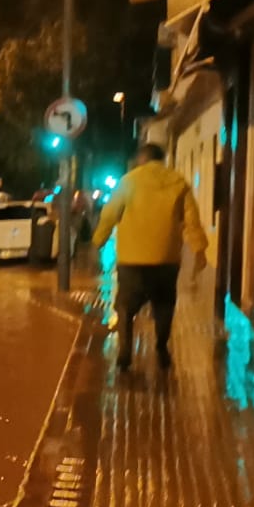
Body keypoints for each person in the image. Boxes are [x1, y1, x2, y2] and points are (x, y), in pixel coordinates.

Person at [92, 143, 208, 371]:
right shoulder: (178, 182)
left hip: (131, 259)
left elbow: (109, 214)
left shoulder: (128, 181)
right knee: (164, 305)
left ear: (142, 158)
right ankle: (161, 348)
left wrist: (99, 240)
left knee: (125, 306)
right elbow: (191, 220)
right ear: (162, 159)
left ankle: (125, 351)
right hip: (166, 259)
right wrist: (200, 249)